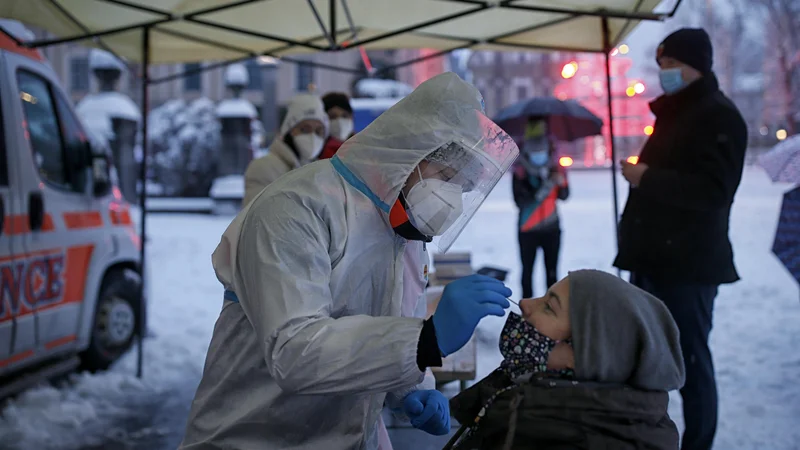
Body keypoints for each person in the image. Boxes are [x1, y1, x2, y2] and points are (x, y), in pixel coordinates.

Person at [180, 72, 520, 450]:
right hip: (252, 438)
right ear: (408, 151)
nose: (452, 197)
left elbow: (386, 330)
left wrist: (411, 388)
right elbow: (295, 351)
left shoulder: (404, 232)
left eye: (463, 186)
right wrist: (425, 341)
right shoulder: (297, 207)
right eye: (446, 176)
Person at [614, 28, 748, 450]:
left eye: (671, 65)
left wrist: (646, 177)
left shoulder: (718, 115)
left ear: (696, 65)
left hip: (688, 267)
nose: (664, 73)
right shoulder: (677, 112)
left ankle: (698, 444)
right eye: (661, 66)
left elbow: (713, 191)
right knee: (645, 358)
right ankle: (647, 435)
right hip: (654, 260)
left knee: (690, 363)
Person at [444, 269, 685, 450]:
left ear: (587, 356)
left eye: (549, 307)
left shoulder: (550, 435)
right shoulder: (532, 402)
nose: (526, 304)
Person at [512, 119, 569, 298]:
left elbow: (565, 196)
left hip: (552, 228)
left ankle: (551, 314)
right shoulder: (520, 173)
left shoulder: (556, 169)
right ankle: (528, 315)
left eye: (542, 150)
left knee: (552, 274)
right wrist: (546, 184)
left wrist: (561, 181)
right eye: (535, 150)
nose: (539, 154)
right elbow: (521, 201)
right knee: (527, 273)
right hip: (528, 229)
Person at [242, 93, 328, 205]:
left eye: (319, 131)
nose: (312, 136)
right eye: (305, 129)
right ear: (289, 130)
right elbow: (256, 217)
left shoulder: (320, 172)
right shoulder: (263, 168)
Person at [318, 91, 355, 160]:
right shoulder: (315, 151)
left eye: (344, 116)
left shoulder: (362, 146)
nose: (339, 121)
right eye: (332, 116)